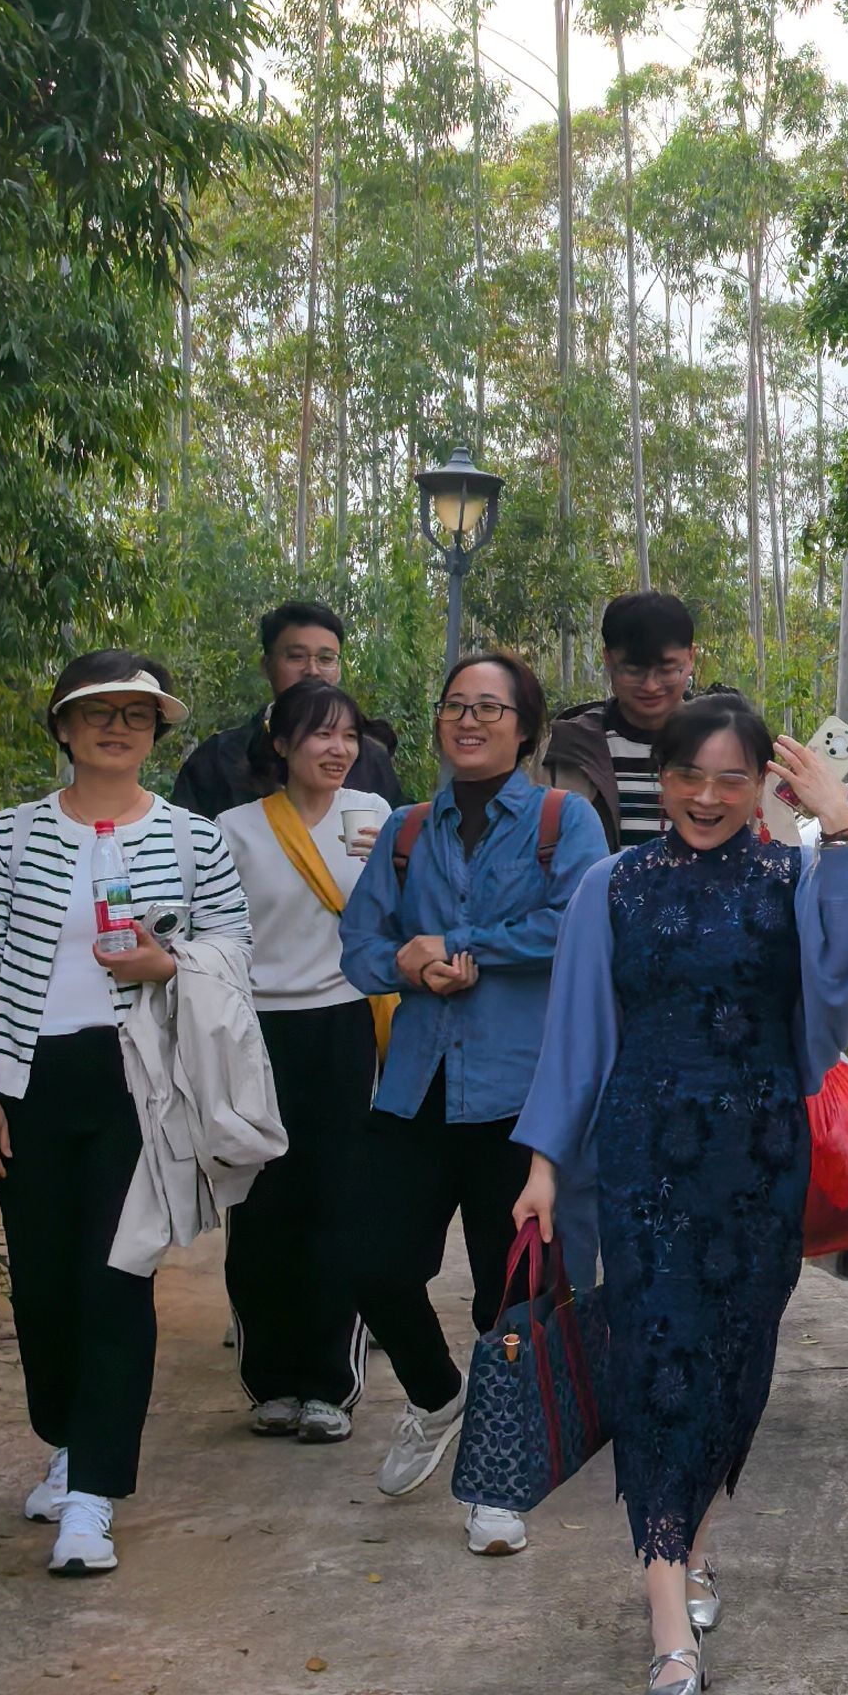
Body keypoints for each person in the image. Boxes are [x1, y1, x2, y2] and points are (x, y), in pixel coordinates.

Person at [514, 692, 848, 1695]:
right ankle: (666, 1622)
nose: (708, 796)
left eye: (734, 778)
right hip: (643, 1160)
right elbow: (575, 1036)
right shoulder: (610, 885)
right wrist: (544, 1164)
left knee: (731, 1367)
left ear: (764, 785)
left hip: (761, 1159)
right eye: (690, 774)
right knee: (654, 1367)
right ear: (660, 777)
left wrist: (840, 828)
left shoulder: (794, 878)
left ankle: (689, 1546)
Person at [0, 654, 252, 1578]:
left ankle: (93, 1496)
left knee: (115, 1279)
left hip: (140, 1082)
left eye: (136, 714)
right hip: (30, 1080)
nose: (117, 728)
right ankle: (67, 1439)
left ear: (156, 733)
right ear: (63, 727)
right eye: (97, 713)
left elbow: (234, 949)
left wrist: (167, 965)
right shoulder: (9, 836)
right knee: (42, 1288)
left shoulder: (194, 839)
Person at [339, 651, 609, 1530]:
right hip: (415, 1085)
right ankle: (436, 1395)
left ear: (525, 728)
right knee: (369, 1260)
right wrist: (410, 966)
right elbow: (360, 945)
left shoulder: (564, 821)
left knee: (513, 1293)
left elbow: (577, 922)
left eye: (490, 708)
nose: (469, 721)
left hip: (521, 1094)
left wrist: (461, 947)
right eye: (456, 705)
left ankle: (500, 1480)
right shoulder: (406, 829)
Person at [218, 681, 394, 1443]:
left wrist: (392, 868)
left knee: (341, 1199)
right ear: (281, 743)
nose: (337, 748)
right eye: (321, 734)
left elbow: (402, 916)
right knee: (260, 1206)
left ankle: (329, 1385)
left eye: (348, 735)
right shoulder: (233, 831)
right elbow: (215, 936)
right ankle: (270, 1380)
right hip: (256, 1031)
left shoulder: (375, 816)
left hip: (346, 1025)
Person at [172, 598, 399, 817]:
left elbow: (398, 836)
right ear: (266, 665)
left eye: (326, 659)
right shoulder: (219, 758)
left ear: (339, 670)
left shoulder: (370, 758)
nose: (312, 670)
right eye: (297, 656)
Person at [545, 590, 703, 850]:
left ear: (691, 658)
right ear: (608, 659)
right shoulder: (566, 749)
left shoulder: (726, 744)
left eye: (666, 669)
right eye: (633, 670)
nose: (651, 686)